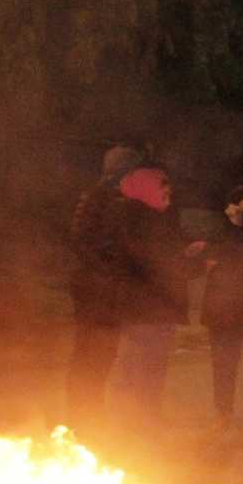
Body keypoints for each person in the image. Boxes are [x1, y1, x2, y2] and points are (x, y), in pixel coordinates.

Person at [110, 165, 206, 423]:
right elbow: (157, 263)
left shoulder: (147, 217)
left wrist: (188, 255)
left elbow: (164, 257)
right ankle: (142, 420)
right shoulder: (142, 221)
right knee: (147, 365)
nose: (168, 195)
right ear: (147, 190)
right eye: (163, 190)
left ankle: (135, 417)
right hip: (148, 306)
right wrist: (192, 262)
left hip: (151, 306)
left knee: (140, 363)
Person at [65, 144, 144, 434]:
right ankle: (79, 417)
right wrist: (104, 271)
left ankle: (92, 414)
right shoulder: (95, 197)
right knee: (87, 353)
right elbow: (79, 239)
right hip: (93, 288)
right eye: (130, 168)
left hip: (113, 291)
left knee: (104, 355)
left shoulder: (123, 201)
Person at [201, 184, 243, 430]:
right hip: (226, 308)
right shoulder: (223, 228)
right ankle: (223, 412)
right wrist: (233, 225)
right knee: (224, 363)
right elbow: (213, 260)